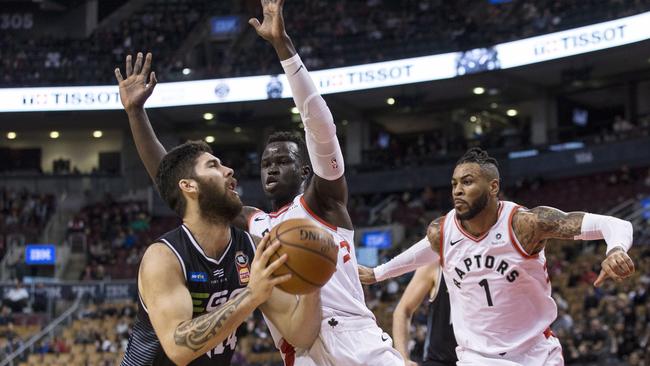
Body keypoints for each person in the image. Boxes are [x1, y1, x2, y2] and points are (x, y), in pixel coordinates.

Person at [117, 1, 402, 364]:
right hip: (304, 353)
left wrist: (284, 49)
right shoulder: (254, 230)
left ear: (305, 171)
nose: (270, 167)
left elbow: (321, 130)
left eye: (283, 160)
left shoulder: (323, 202)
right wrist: (136, 115)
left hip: (357, 343)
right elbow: (175, 179)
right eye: (266, 162)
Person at [115, 55, 321, 366]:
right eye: (214, 165)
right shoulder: (164, 257)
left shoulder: (249, 248)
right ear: (190, 187)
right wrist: (251, 295)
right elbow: (179, 347)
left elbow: (300, 335)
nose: (229, 171)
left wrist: (313, 280)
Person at [359, 147, 635, 366]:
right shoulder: (442, 231)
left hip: (534, 355)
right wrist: (377, 273)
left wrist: (616, 249)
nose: (457, 190)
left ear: (493, 187)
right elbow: (422, 250)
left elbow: (615, 224)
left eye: (467, 182)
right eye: (454, 183)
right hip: (476, 358)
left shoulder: (525, 224)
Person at [393, 263, 457, 366]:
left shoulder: (489, 262)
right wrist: (403, 358)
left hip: (482, 358)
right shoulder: (435, 264)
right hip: (440, 360)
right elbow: (403, 310)